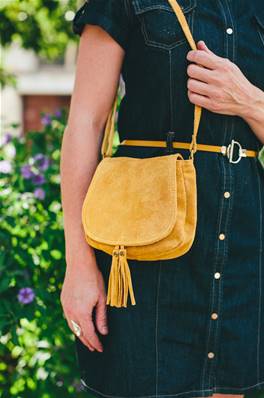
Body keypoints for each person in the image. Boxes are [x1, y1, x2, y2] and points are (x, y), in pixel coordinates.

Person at [59, 0, 264, 397]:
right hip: (144, 242)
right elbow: (86, 123)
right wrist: (79, 263)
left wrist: (249, 101)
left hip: (241, 242)